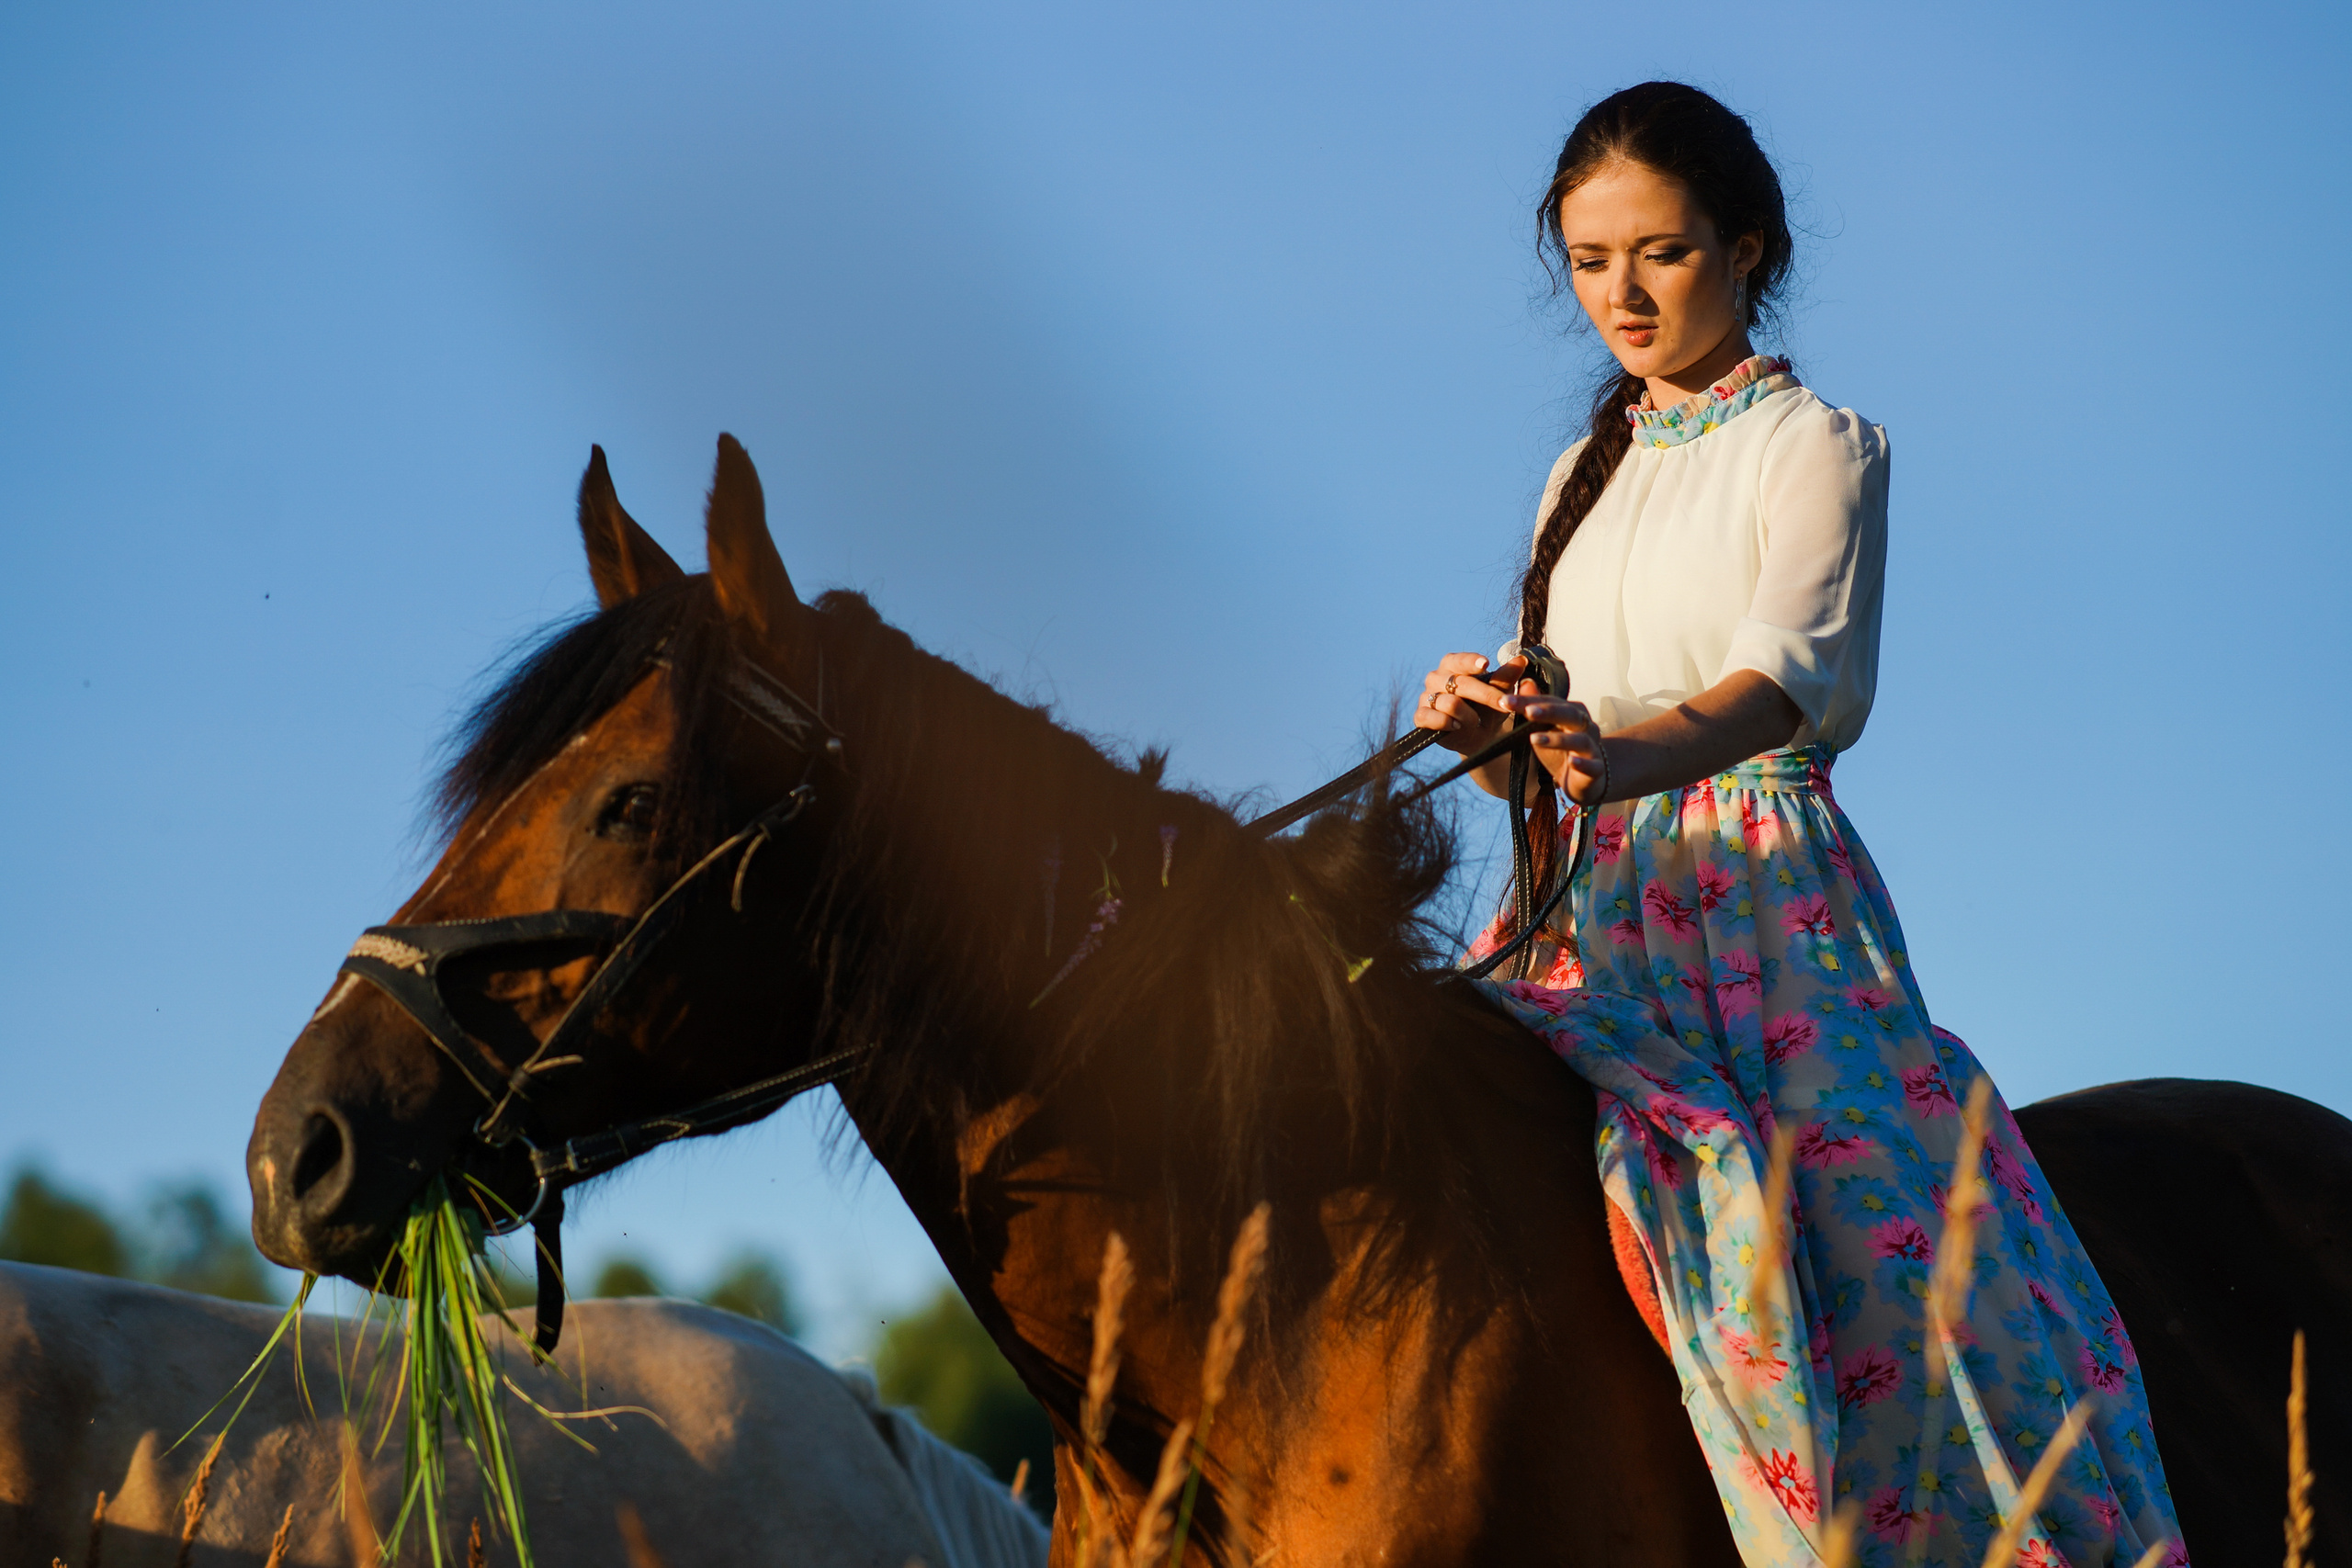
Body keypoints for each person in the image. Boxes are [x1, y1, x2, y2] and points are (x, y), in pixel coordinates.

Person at [1418, 83, 2187, 1568]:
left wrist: (1621, 755)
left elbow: (1781, 685)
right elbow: (1569, 755)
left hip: (1763, 901)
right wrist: (1494, 740)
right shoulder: (1575, 479)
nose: (1622, 294)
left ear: (1747, 247)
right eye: (1587, 261)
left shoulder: (1820, 445)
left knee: (1863, 1250)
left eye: (1660, 251)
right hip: (1593, 897)